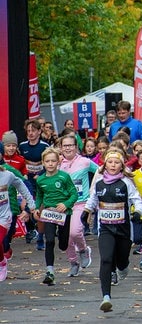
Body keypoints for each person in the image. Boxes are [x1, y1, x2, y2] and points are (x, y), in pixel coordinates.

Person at [83, 147, 142, 312]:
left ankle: (123, 267)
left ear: (121, 165)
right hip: (105, 228)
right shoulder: (99, 182)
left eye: (116, 162)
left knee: (121, 260)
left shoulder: (125, 183)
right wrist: (86, 212)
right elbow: (92, 199)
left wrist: (138, 212)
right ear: (104, 164)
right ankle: (106, 297)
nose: (112, 164)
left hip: (124, 229)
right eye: (110, 161)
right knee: (106, 259)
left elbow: (137, 200)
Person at [33, 148, 79, 285]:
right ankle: (50, 271)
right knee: (50, 241)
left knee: (63, 245)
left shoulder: (64, 177)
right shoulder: (40, 179)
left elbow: (74, 194)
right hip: (49, 213)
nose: (50, 164)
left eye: (53, 161)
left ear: (58, 162)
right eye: (47, 161)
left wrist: (66, 204)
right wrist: (37, 208)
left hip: (64, 213)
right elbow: (40, 195)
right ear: (43, 163)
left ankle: (65, 247)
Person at [59, 135, 97, 277]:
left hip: (81, 203)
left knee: (74, 232)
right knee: (65, 238)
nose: (68, 148)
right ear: (61, 148)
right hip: (63, 206)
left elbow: (100, 171)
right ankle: (73, 263)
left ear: (76, 147)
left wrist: (94, 189)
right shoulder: (58, 164)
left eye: (70, 145)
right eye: (65, 145)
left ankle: (83, 250)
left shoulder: (85, 162)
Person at [0, 158, 36, 281]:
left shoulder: (7, 175)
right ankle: (2, 260)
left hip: (3, 217)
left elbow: (21, 185)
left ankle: (2, 264)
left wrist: (30, 203)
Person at [19, 119, 50, 249]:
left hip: (41, 180)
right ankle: (31, 229)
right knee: (24, 205)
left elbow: (49, 163)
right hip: (27, 180)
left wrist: (41, 173)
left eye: (33, 131)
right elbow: (19, 163)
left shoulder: (44, 146)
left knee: (40, 210)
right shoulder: (22, 146)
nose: (31, 133)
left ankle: (41, 237)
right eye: (28, 131)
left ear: (39, 131)